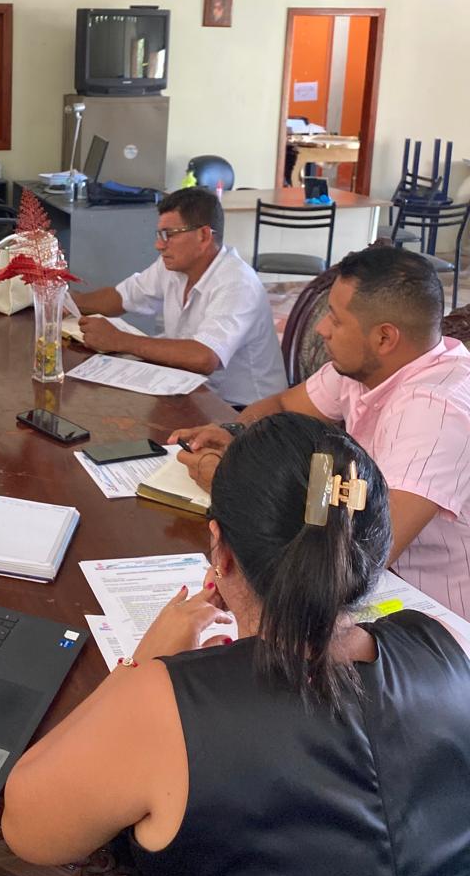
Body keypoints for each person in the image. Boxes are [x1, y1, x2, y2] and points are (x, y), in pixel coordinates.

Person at [2, 413, 470, 876]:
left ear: (220, 549)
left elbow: (29, 833)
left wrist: (140, 666)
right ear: (371, 556)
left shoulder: (166, 702)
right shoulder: (439, 646)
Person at [171, 246, 470, 615]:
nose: (321, 329)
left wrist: (238, 480)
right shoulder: (368, 368)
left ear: (384, 338)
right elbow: (282, 406)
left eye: (335, 319)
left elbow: (365, 550)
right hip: (359, 582)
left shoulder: (437, 412)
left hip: (425, 616)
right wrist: (236, 434)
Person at [71, 187, 285, 406]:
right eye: (159, 235)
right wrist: (70, 302)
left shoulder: (237, 282)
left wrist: (120, 340)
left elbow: (204, 357)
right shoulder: (174, 266)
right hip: (193, 389)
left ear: (203, 236)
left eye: (169, 235)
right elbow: (122, 297)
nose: (159, 245)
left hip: (243, 409)